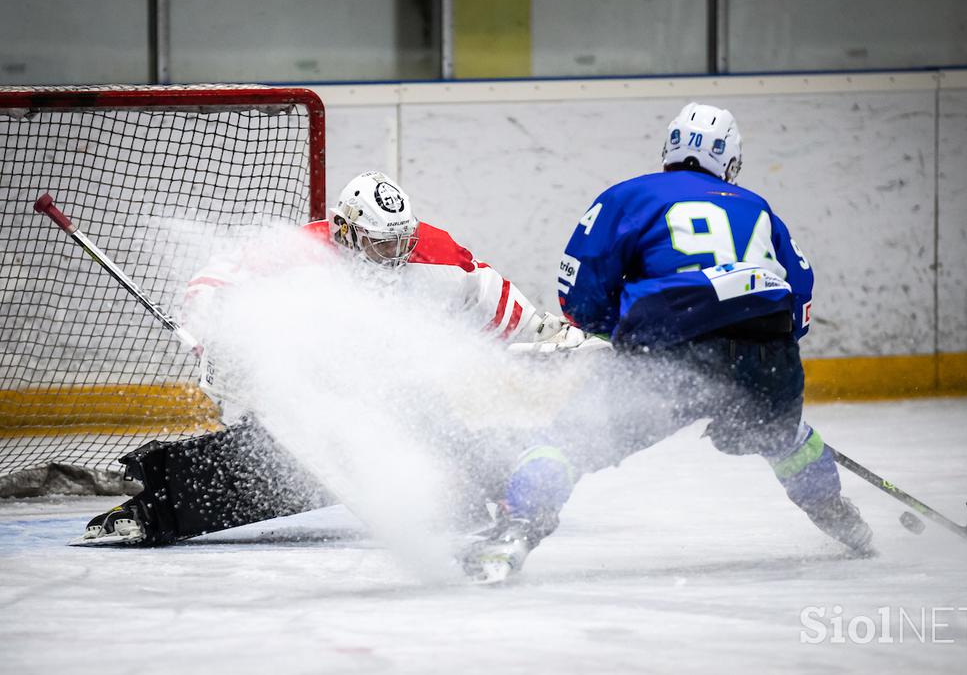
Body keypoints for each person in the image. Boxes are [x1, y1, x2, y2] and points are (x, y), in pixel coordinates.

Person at [462, 103, 874, 581]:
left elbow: (580, 288)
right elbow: (800, 296)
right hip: (771, 354)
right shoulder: (757, 207)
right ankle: (838, 515)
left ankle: (517, 528)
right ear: (731, 164)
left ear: (668, 152)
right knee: (783, 436)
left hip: (673, 345)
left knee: (568, 440)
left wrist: (621, 334)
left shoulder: (628, 196)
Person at [77, 170, 587, 548]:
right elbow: (217, 280)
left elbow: (498, 303)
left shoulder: (434, 256)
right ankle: (160, 509)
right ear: (345, 230)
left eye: (401, 243)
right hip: (312, 398)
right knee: (280, 464)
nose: (397, 255)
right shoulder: (300, 253)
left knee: (446, 447)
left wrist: (555, 335)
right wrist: (219, 335)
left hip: (396, 394)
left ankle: (484, 489)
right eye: (381, 244)